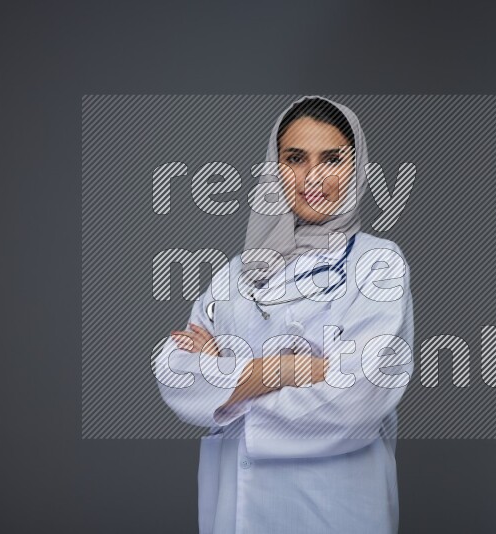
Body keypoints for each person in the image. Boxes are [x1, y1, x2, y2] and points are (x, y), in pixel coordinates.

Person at [155, 95, 414, 534]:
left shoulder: (377, 263)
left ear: (355, 168)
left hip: (333, 508)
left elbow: (359, 398)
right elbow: (175, 372)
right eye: (295, 158)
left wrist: (227, 390)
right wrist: (283, 370)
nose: (313, 176)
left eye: (331, 159)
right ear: (274, 169)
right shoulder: (238, 271)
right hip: (235, 511)